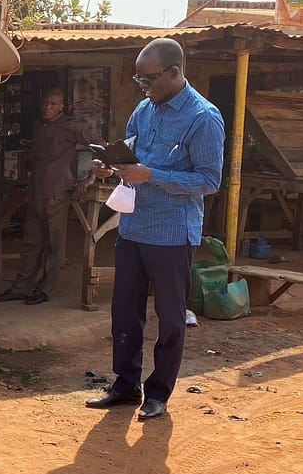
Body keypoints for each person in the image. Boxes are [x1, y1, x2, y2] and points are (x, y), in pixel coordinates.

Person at [84, 38, 224, 420]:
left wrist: (152, 175)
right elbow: (132, 158)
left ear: (175, 73)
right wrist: (110, 168)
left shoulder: (203, 117)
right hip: (132, 226)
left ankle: (159, 392)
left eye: (149, 78)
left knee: (170, 315)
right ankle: (125, 385)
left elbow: (210, 180)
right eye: (138, 78)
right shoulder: (143, 111)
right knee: (125, 312)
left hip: (172, 233)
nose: (142, 86)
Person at [0, 88, 92, 305]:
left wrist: (90, 178)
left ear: (62, 106)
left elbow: (100, 146)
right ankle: (21, 287)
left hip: (57, 193)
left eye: (53, 104)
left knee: (53, 245)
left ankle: (45, 289)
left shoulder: (71, 127)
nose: (48, 107)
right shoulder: (39, 127)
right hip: (36, 192)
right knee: (31, 243)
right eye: (45, 103)